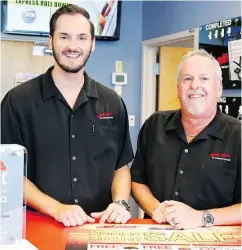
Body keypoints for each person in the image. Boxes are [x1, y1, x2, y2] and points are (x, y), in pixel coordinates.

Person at [1, 4, 134, 227]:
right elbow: (7, 170)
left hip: (97, 226)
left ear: (92, 44)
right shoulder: (18, 102)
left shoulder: (113, 102)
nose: (73, 46)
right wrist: (56, 209)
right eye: (64, 37)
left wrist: (120, 203)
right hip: (37, 226)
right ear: (50, 40)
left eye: (82, 37)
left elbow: (120, 166)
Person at [131, 49, 241, 229]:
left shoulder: (237, 136)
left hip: (213, 242)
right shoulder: (154, 126)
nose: (194, 85)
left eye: (204, 78)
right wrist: (155, 208)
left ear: (218, 87)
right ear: (178, 88)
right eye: (187, 79)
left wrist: (201, 218)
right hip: (156, 237)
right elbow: (137, 180)